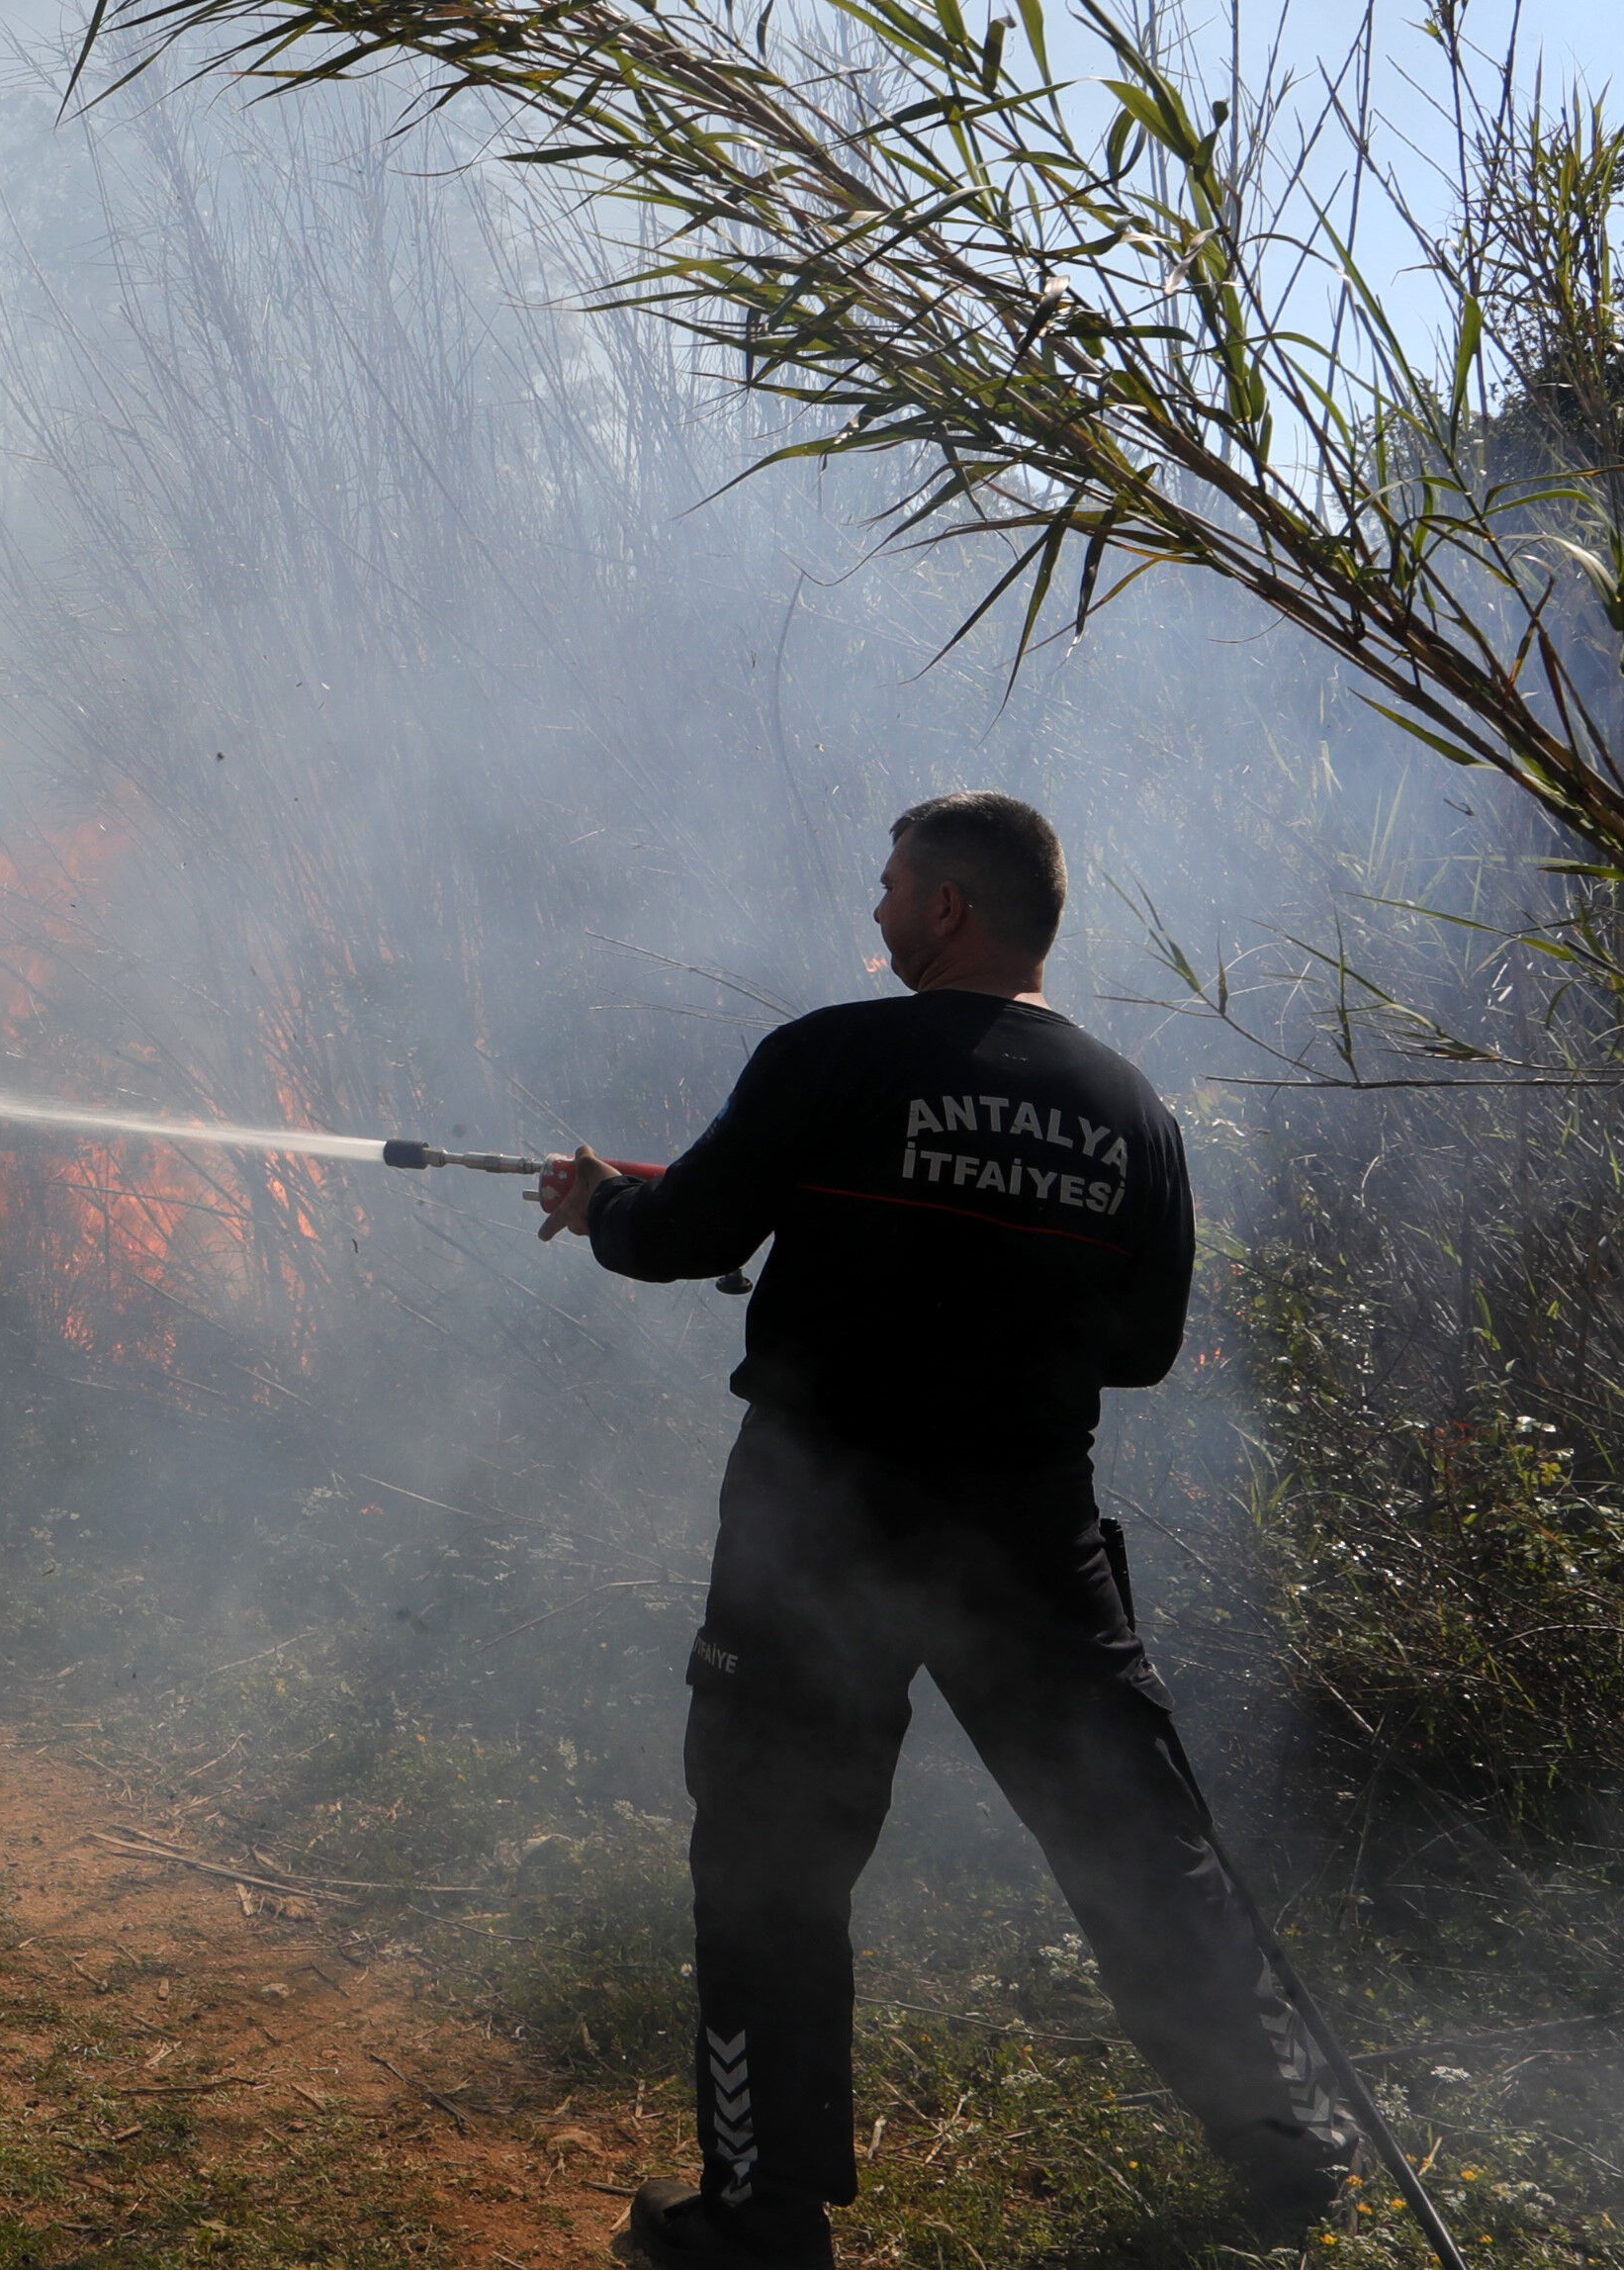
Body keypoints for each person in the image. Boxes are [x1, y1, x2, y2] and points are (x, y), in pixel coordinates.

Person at [534, 791, 1356, 2270]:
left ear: (949, 911)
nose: (875, 912)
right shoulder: (1131, 1111)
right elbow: (1146, 1350)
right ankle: (1289, 2147)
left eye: (893, 885)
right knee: (1136, 1837)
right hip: (1029, 1529)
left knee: (773, 1848)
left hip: (819, 1523)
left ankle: (761, 2216)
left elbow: (685, 1236)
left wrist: (599, 1202)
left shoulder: (830, 1056)